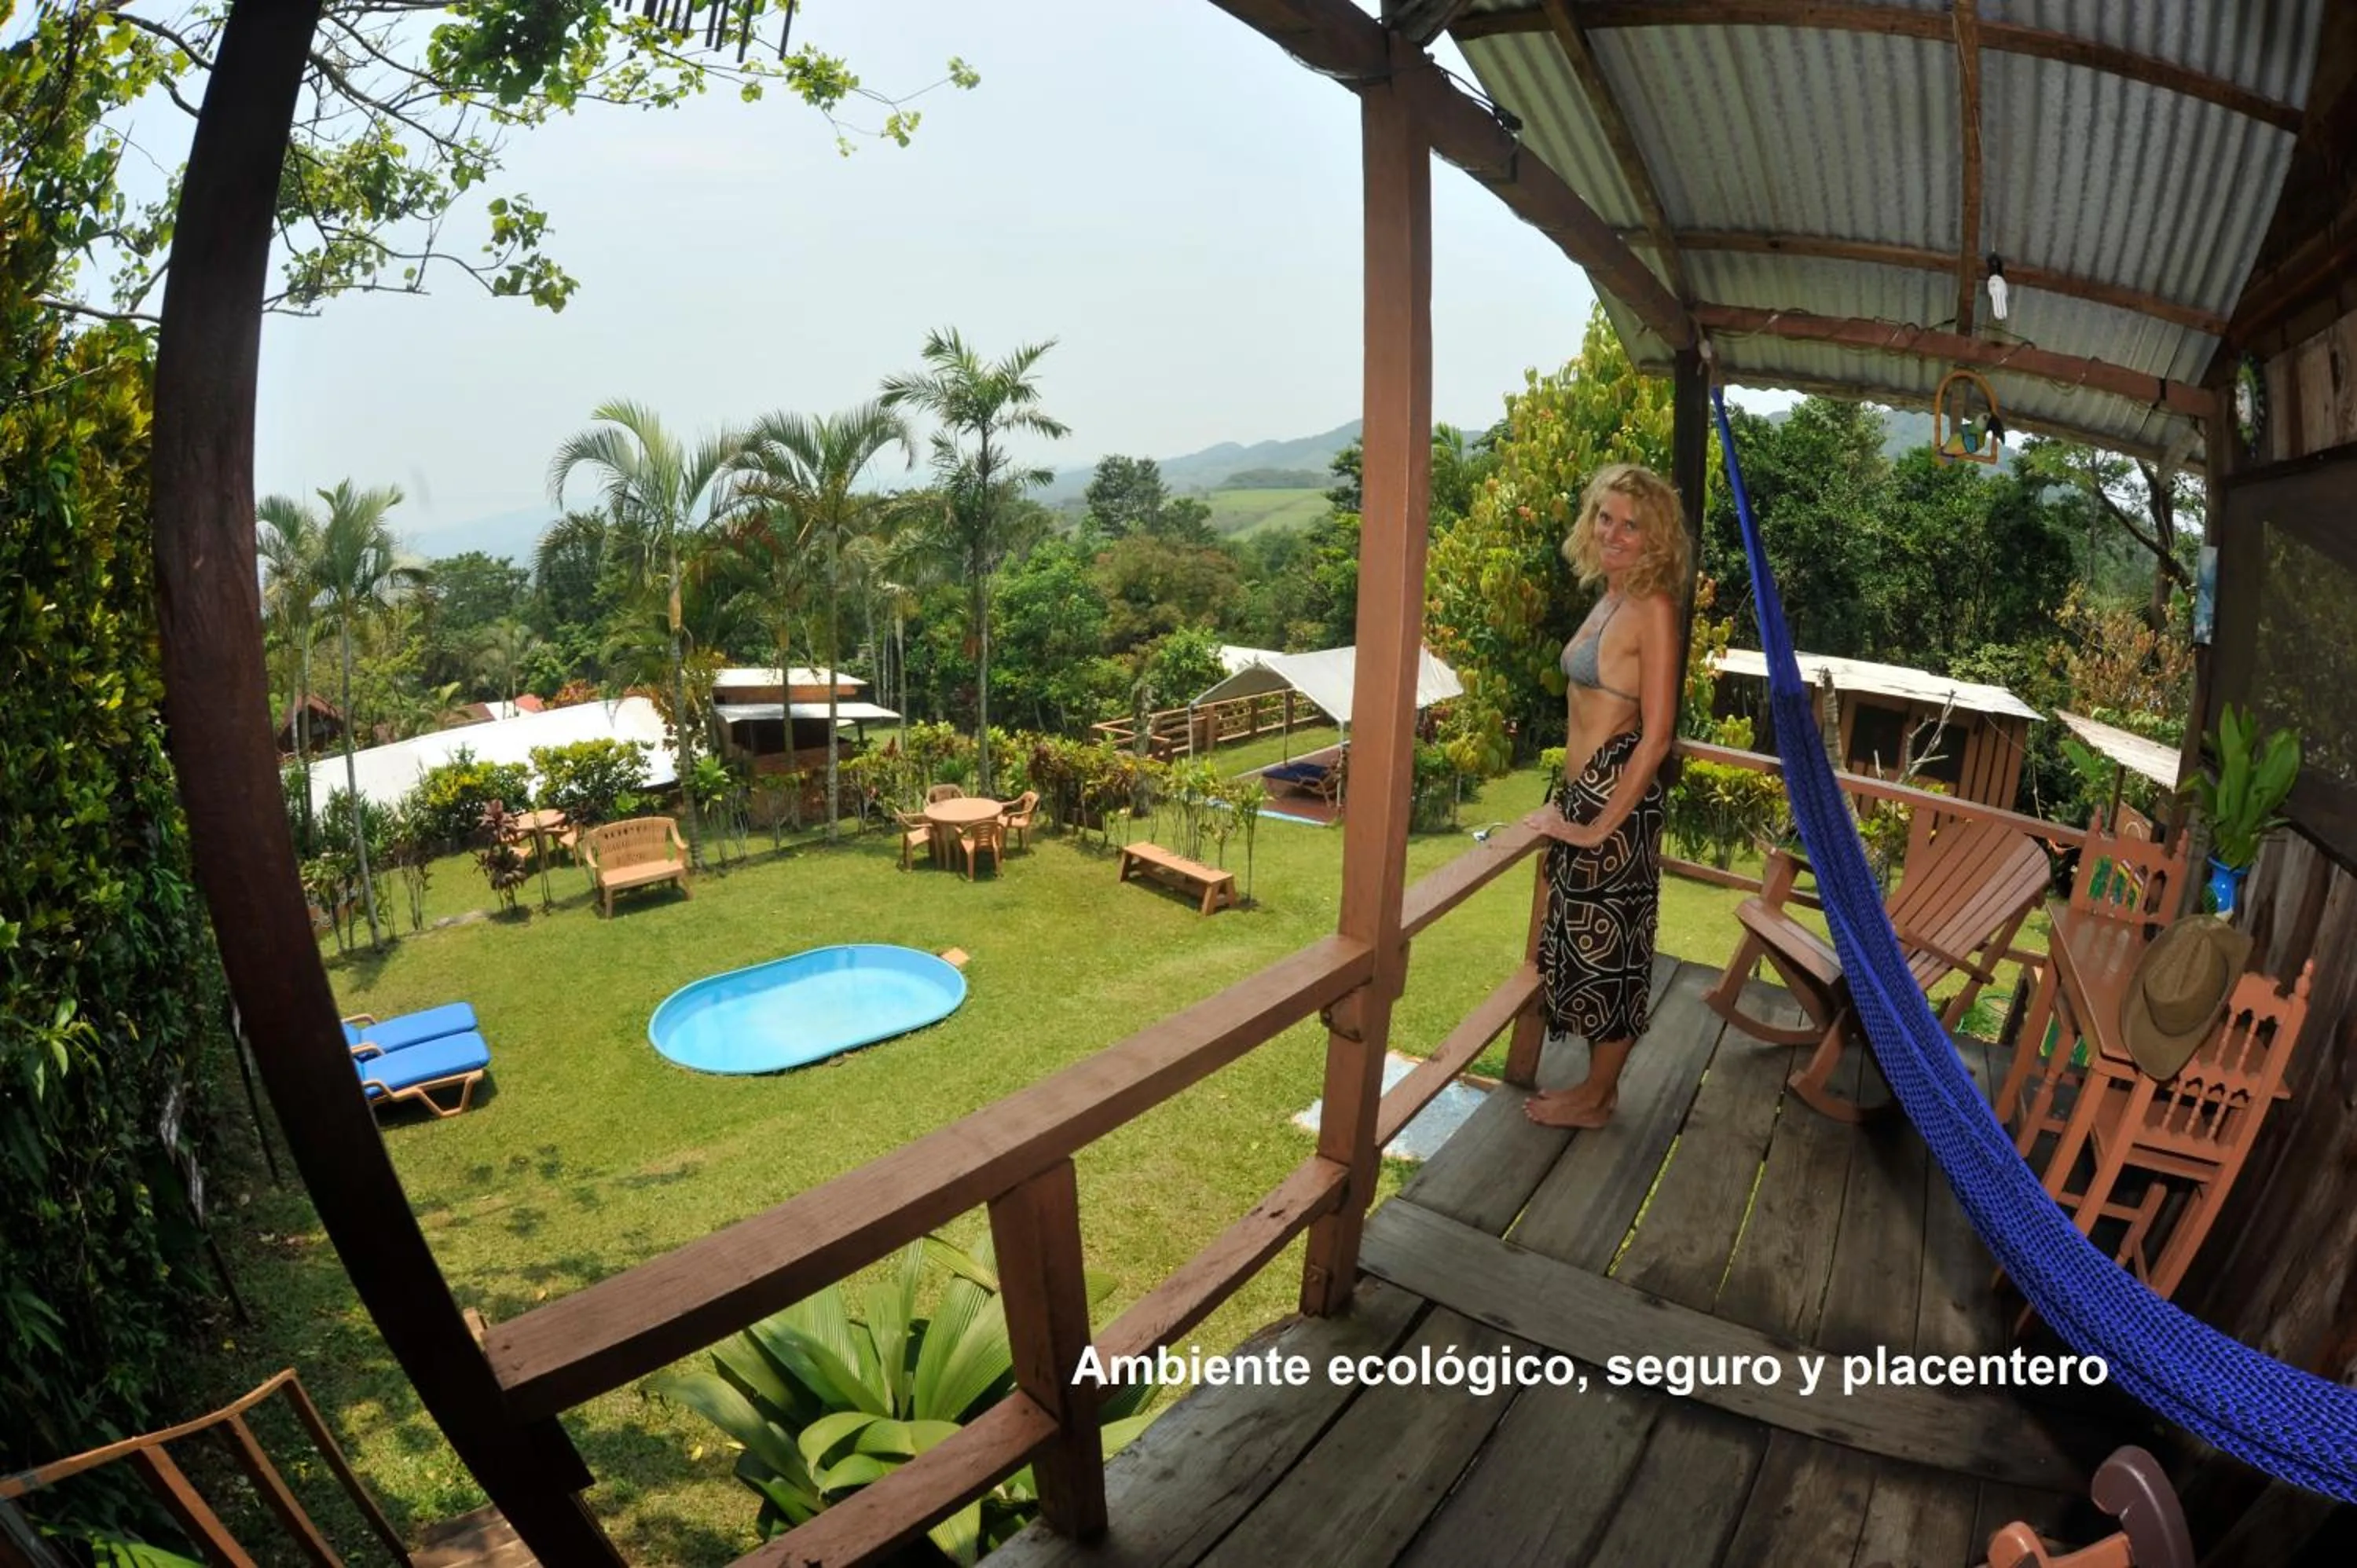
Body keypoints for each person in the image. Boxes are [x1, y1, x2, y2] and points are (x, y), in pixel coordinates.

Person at [1520, 463, 1688, 1129]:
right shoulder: (1609, 597)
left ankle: (1594, 1098)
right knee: (1586, 951)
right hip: (1585, 798)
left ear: (1657, 538)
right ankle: (1599, 1089)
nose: (1615, 534)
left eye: (1633, 525)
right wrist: (1572, 810)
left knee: (1611, 960)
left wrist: (1596, 829)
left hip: (1616, 806)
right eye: (1605, 517)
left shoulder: (1653, 608)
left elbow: (1657, 735)